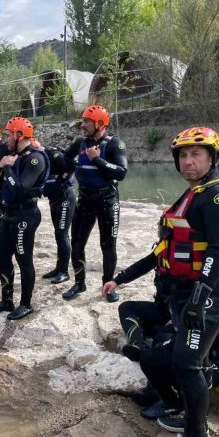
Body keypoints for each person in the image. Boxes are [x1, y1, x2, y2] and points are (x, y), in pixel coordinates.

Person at [103, 126, 219, 437]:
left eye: (196, 154)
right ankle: (180, 408)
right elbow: (163, 251)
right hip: (186, 293)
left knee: (188, 361)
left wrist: (199, 299)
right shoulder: (192, 195)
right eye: (183, 155)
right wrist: (121, 278)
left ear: (212, 157)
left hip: (212, 291)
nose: (188, 161)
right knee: (174, 357)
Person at [62, 105, 128, 302]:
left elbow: (121, 172)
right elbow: (66, 157)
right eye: (83, 121)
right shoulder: (80, 142)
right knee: (77, 243)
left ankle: (108, 286)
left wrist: (97, 160)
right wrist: (73, 165)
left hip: (107, 200)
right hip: (85, 200)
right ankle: (79, 282)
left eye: (86, 122)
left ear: (100, 124)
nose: (82, 125)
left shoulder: (115, 144)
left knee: (108, 246)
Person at [0, 117, 48, 320]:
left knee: (23, 259)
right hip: (9, 214)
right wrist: (3, 165)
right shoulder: (13, 154)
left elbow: (21, 188)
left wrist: (7, 168)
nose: (5, 138)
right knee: (3, 256)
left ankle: (26, 304)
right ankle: (7, 300)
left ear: (19, 135)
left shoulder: (34, 159)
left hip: (26, 215)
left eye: (7, 134)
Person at [41, 146, 77, 285]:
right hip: (54, 200)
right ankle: (58, 268)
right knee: (58, 234)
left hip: (65, 199)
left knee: (62, 234)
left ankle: (64, 272)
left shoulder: (52, 155)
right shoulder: (37, 158)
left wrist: (62, 178)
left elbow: (73, 164)